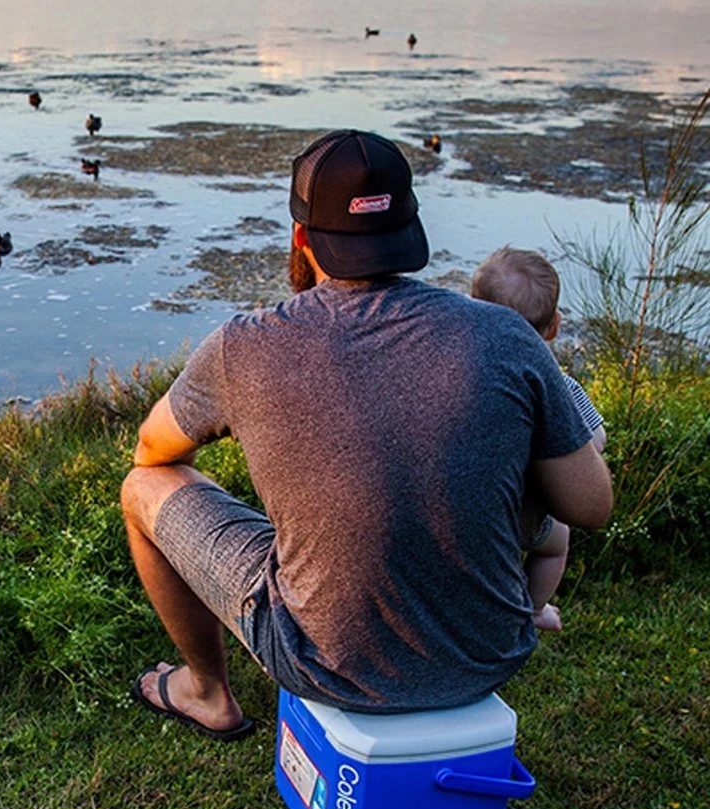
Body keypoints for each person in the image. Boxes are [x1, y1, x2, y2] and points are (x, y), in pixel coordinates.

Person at [121, 129, 613, 739]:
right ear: (413, 230)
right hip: (490, 652)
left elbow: (153, 449)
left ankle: (206, 692)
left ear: (302, 236)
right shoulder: (509, 337)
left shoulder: (243, 346)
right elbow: (591, 506)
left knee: (143, 486)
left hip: (323, 664)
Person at [471, 246, 608, 632]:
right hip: (527, 513)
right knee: (556, 544)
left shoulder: (462, 376)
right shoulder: (560, 387)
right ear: (554, 327)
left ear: (471, 312)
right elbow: (594, 440)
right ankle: (531, 610)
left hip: (464, 504)